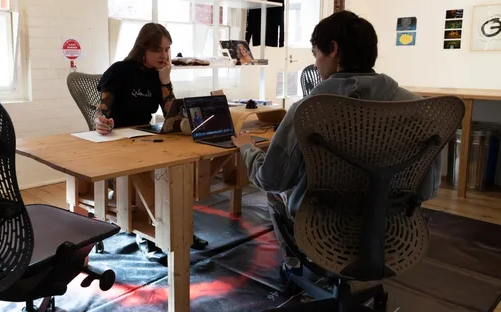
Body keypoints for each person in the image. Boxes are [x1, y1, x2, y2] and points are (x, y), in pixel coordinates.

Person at [231, 11, 442, 292]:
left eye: (316, 54)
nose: (316, 64)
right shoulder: (415, 107)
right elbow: (427, 191)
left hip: (321, 231)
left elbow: (271, 179)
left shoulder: (310, 109)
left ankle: (292, 264)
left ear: (333, 49)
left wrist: (248, 149)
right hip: (392, 232)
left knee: (274, 192)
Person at [94, 22, 208, 264]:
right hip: (117, 139)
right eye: (158, 50)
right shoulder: (120, 71)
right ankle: (146, 236)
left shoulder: (158, 75)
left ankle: (180, 230)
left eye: (167, 49)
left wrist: (165, 81)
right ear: (142, 48)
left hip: (144, 137)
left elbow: (171, 116)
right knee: (148, 175)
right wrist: (102, 121)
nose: (164, 55)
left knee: (178, 169)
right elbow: (101, 111)